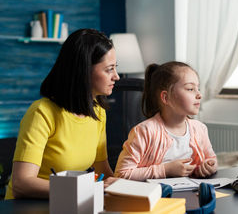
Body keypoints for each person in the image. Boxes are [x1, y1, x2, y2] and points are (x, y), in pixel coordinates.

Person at [5, 29, 120, 199]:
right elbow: (22, 183)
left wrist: (126, 185)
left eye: (115, 68)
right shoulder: (42, 113)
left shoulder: (98, 112)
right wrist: (88, 189)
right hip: (30, 206)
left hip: (72, 202)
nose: (116, 77)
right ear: (84, 70)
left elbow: (102, 170)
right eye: (109, 69)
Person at [114, 61, 218, 181]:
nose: (199, 94)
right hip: (156, 197)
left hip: (190, 194)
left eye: (197, 88)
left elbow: (212, 159)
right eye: (190, 89)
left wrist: (209, 166)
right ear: (165, 97)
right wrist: (165, 170)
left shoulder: (200, 129)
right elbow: (121, 175)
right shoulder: (144, 132)